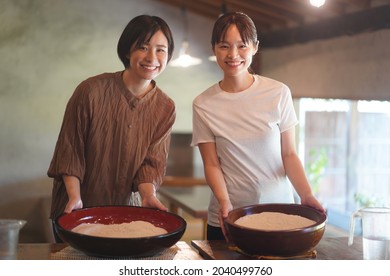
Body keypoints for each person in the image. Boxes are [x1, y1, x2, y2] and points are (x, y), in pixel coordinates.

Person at [191, 12, 325, 241]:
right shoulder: (203, 104)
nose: (233, 55)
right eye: (224, 46)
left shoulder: (278, 92)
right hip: (229, 217)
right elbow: (211, 164)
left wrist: (307, 194)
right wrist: (224, 202)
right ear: (214, 48)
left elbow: (289, 154)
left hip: (279, 215)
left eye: (242, 46)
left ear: (255, 47)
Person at [47, 15, 175, 242]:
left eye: (161, 50)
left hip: (126, 214)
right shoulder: (90, 91)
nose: (152, 58)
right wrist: (75, 196)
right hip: (76, 210)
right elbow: (70, 150)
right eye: (143, 47)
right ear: (127, 51)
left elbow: (151, 163)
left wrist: (148, 195)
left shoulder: (165, 107)